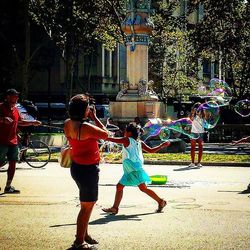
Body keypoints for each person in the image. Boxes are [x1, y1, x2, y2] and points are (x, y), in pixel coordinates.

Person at [64, 94, 109, 249]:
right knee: (87, 206)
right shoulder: (87, 127)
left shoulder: (67, 124)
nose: (90, 108)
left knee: (87, 204)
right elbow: (106, 134)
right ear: (84, 110)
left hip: (76, 167)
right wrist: (95, 117)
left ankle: (84, 234)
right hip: (88, 170)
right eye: (88, 106)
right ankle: (78, 242)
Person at [102, 122, 171, 215]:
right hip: (131, 169)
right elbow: (151, 150)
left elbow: (113, 139)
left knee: (139, 188)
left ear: (129, 133)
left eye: (126, 131)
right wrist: (161, 145)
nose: (124, 132)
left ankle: (161, 201)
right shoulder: (139, 142)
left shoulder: (127, 140)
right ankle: (115, 208)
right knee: (123, 187)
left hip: (133, 169)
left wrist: (102, 136)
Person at [0, 89, 41, 193]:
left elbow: (20, 122)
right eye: (14, 96)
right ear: (8, 97)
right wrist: (2, 119)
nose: (16, 98)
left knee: (13, 163)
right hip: (1, 141)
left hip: (12, 141)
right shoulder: (0, 107)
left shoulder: (15, 110)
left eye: (17, 96)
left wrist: (33, 122)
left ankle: (8, 186)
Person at [188, 102, 207, 168]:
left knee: (200, 148)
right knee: (192, 148)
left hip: (201, 132)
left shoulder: (203, 115)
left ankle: (199, 163)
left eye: (199, 108)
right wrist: (193, 112)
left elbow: (205, 122)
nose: (198, 109)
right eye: (196, 108)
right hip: (193, 132)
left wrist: (200, 115)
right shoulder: (193, 114)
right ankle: (192, 162)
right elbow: (190, 119)